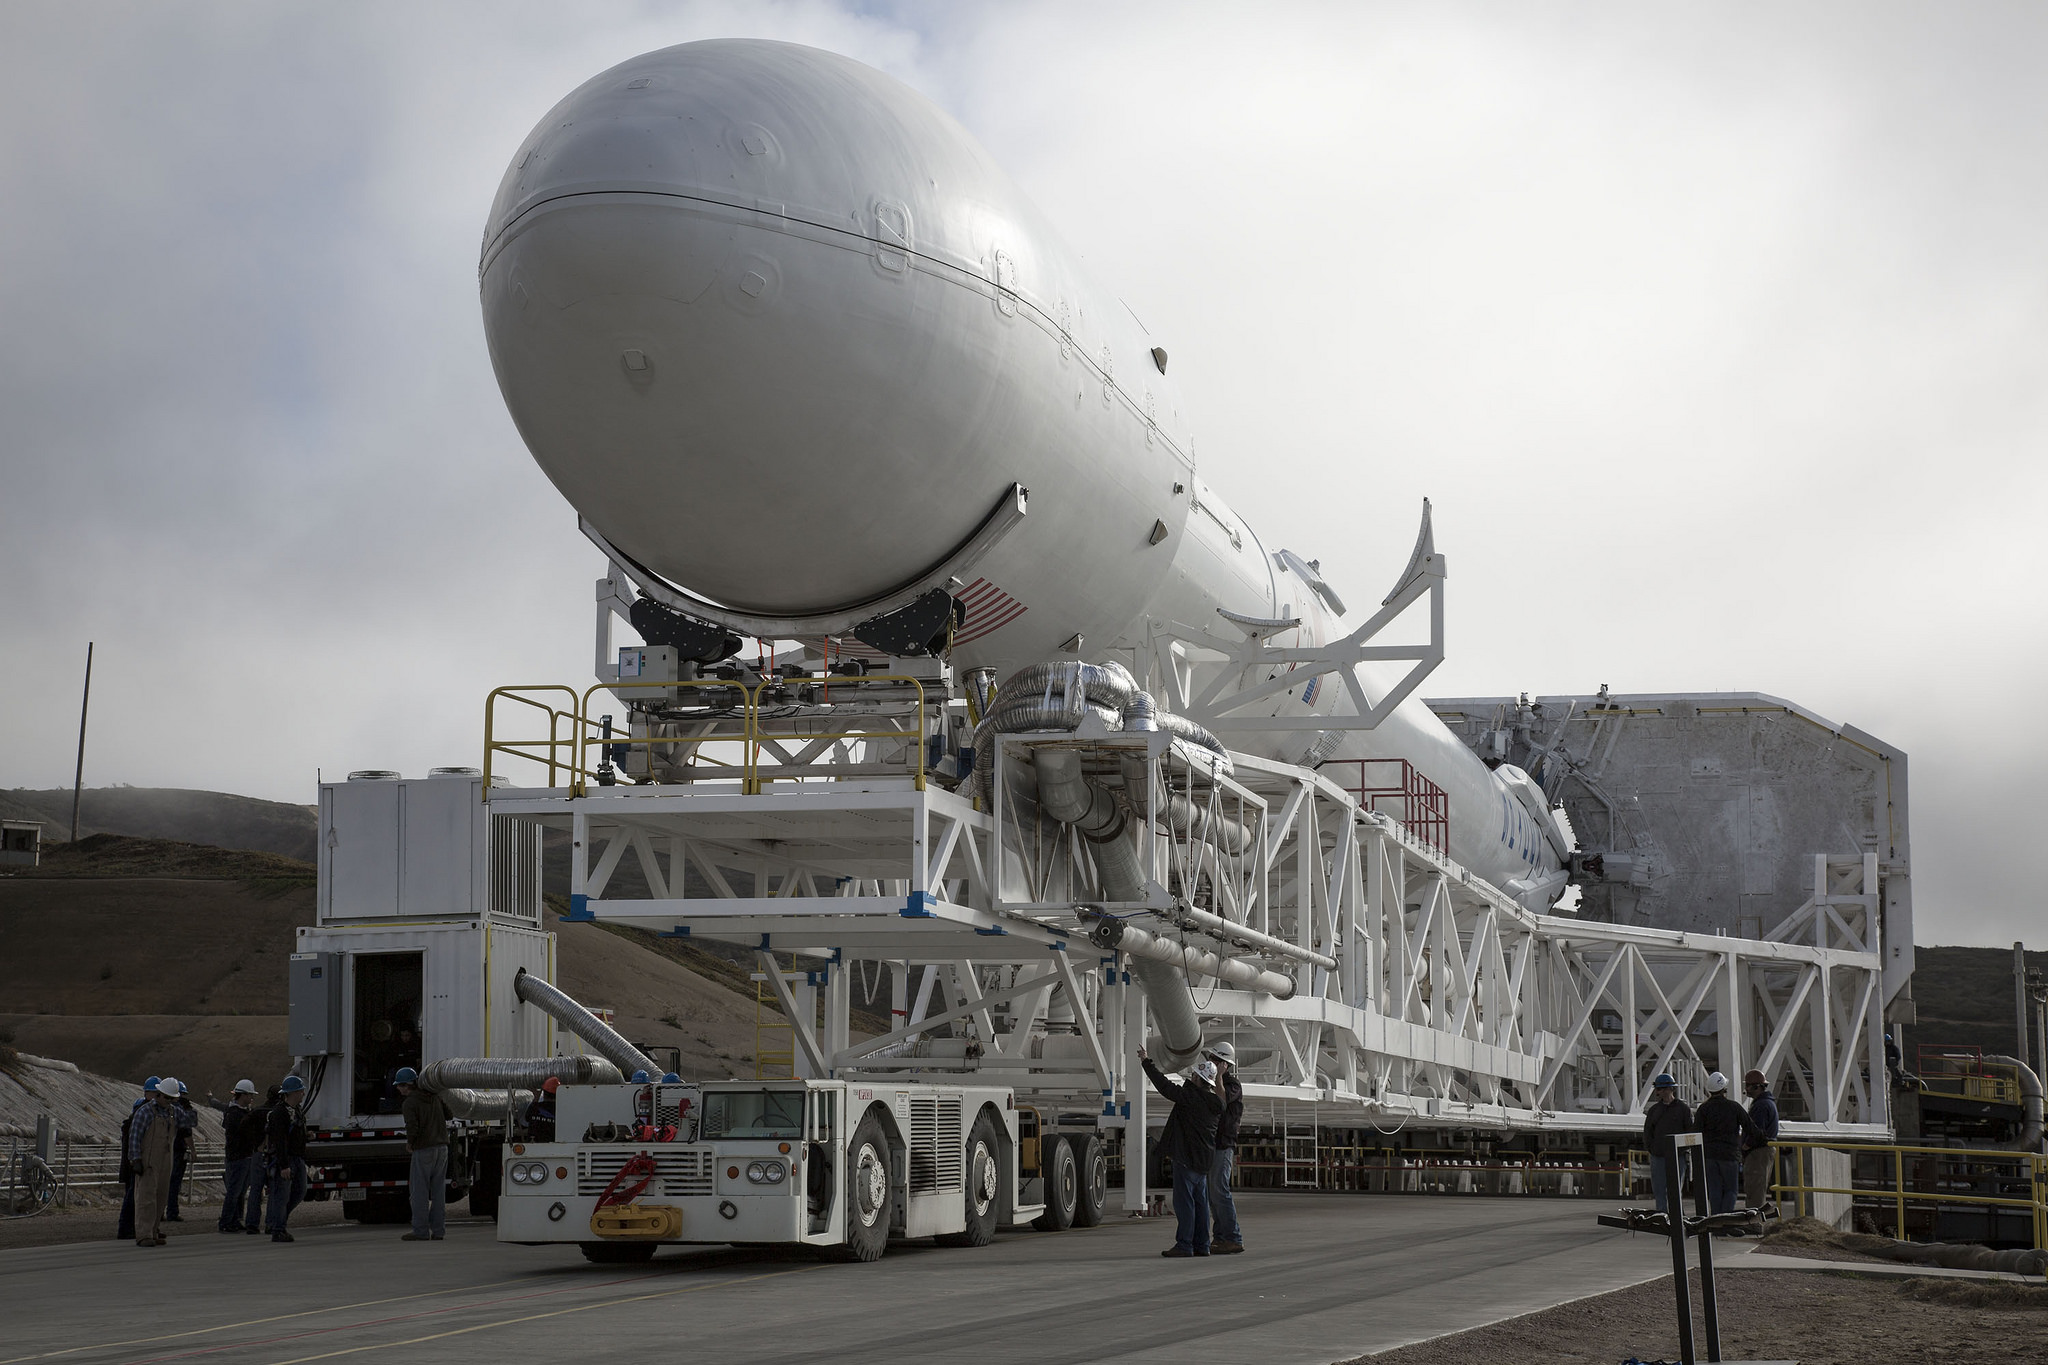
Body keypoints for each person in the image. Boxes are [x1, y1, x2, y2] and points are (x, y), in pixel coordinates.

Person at [1138, 1045, 1225, 1258]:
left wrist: (1146, 1062)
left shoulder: (1191, 1098)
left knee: (1184, 1204)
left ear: (1197, 1079)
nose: (1192, 1076)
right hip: (1204, 1161)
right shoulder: (1217, 1104)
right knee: (1201, 1205)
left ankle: (1185, 1245)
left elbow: (1165, 1086)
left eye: (1194, 1074)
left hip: (1186, 1159)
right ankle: (1202, 1245)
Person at [1694, 1072, 1764, 1217]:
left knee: (1714, 1190)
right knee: (1731, 1190)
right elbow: (1751, 1128)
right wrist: (1763, 1139)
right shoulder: (1734, 1107)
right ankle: (1725, 1222)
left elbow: (1695, 1133)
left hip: (1710, 1156)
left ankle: (1715, 1221)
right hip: (1729, 1155)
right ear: (1724, 1089)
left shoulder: (1703, 1109)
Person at [394, 1067, 451, 1242]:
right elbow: (449, 1114)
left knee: (419, 1192)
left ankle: (420, 1231)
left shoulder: (409, 1103)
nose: (398, 1089)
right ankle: (439, 1231)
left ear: (407, 1085)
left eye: (400, 1085)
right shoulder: (434, 1096)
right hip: (442, 1148)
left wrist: (410, 1143)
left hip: (423, 1148)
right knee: (438, 1192)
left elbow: (412, 1127)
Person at [128, 1077, 182, 1248]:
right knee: (146, 1197)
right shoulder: (145, 1112)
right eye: (166, 1097)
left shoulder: (172, 1113)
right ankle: (143, 1234)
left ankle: (154, 1230)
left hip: (166, 1160)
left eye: (172, 1098)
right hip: (148, 1160)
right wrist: (135, 1158)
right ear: (158, 1095)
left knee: (161, 1196)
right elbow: (135, 1136)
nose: (169, 1101)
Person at [207, 1080, 266, 1233]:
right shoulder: (235, 1114)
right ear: (243, 1095)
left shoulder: (238, 1112)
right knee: (234, 1192)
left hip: (244, 1156)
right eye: (250, 1095)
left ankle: (234, 1220)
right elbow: (244, 1134)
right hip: (238, 1157)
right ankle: (226, 1222)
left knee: (239, 1192)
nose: (252, 1098)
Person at [1206, 1041, 1245, 1255]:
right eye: (1211, 1059)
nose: (1211, 1063)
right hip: (1212, 1144)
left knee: (1220, 1190)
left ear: (1225, 1064)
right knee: (1213, 1194)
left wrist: (1219, 1077)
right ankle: (1220, 1237)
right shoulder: (1211, 1083)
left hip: (1223, 1144)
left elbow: (1222, 1100)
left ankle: (1232, 1237)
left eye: (1215, 1060)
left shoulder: (1232, 1085)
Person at [264, 1075, 309, 1243]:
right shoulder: (279, 1113)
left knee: (299, 1191)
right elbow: (279, 1140)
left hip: (297, 1158)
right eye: (300, 1091)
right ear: (293, 1093)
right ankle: (278, 1228)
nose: (303, 1094)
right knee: (281, 1196)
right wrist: (284, 1165)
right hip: (286, 1160)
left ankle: (279, 1221)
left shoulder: (296, 1111)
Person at [1641, 1072, 1695, 1215]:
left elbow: (1690, 1131)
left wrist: (1683, 1149)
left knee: (1675, 1188)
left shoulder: (1683, 1109)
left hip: (1678, 1156)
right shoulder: (1654, 1111)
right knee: (1659, 1189)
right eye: (1658, 1090)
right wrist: (1652, 1149)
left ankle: (1677, 1216)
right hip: (1658, 1156)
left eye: (1661, 1089)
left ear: (1670, 1089)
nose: (1659, 1092)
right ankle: (1662, 1216)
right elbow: (1648, 1133)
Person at [116, 1076, 159, 1241]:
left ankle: (133, 1227)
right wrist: (136, 1161)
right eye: (157, 1093)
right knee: (134, 1196)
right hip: (136, 1162)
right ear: (150, 1093)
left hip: (134, 1162)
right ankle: (127, 1228)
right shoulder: (143, 1113)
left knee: (136, 1195)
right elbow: (134, 1142)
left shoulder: (141, 1112)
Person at [1740, 1069, 1780, 1213]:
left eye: (1748, 1086)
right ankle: (1755, 1220)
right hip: (1764, 1150)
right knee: (1757, 1187)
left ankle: (1754, 1222)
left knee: (1754, 1188)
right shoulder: (1766, 1103)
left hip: (1758, 1152)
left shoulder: (1761, 1106)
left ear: (1757, 1087)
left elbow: (1757, 1132)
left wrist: (1746, 1145)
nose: (1746, 1089)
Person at [162, 1081, 197, 1222]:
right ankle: (172, 1212)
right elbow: (187, 1131)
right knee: (174, 1183)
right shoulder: (182, 1111)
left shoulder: (162, 1108)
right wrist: (193, 1151)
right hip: (177, 1150)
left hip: (163, 1150)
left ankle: (159, 1213)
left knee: (162, 1182)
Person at [525, 1077, 559, 1142]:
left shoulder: (536, 1106)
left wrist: (536, 1097)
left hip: (533, 1143)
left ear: (544, 1093)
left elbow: (527, 1118)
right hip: (553, 1145)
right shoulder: (561, 1109)